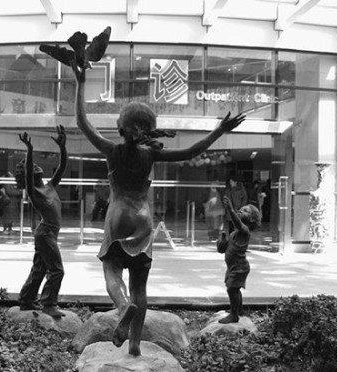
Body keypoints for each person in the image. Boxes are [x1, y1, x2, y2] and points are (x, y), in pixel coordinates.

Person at [72, 57, 245, 356]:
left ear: (120, 126)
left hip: (117, 216)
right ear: (149, 129)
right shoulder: (151, 156)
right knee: (141, 285)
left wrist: (81, 81)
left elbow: (82, 122)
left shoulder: (112, 150)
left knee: (112, 271)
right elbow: (192, 151)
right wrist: (219, 130)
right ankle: (136, 345)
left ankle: (123, 306)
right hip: (143, 220)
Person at [16, 126, 67, 318]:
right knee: (57, 271)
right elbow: (29, 172)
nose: (36, 167)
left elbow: (62, 167)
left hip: (49, 233)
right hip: (45, 233)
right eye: (31, 167)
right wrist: (29, 151)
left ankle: (26, 298)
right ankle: (48, 303)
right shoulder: (34, 192)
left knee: (39, 268)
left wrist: (63, 147)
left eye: (36, 165)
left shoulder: (50, 186)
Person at [217, 196, 261, 324]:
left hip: (239, 267)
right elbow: (222, 249)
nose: (241, 211)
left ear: (252, 219)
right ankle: (239, 309)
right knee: (234, 288)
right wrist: (223, 241)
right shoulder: (234, 233)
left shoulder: (244, 231)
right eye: (240, 210)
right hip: (233, 266)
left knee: (232, 289)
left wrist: (231, 209)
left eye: (245, 211)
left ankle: (234, 314)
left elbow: (237, 222)